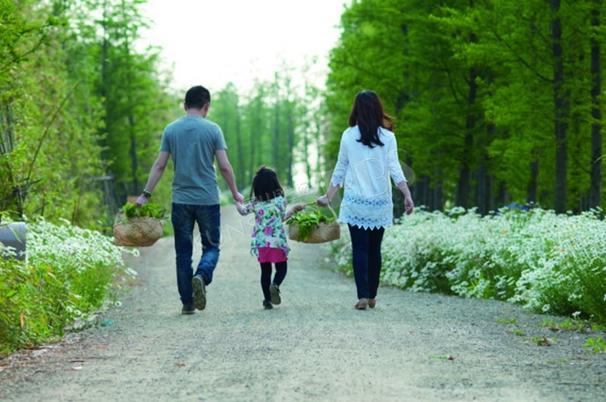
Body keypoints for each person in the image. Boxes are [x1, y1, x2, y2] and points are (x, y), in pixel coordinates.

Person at [136, 85, 244, 315]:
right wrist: (235, 194)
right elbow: (224, 166)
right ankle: (202, 276)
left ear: (185, 106)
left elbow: (160, 165)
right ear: (207, 106)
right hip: (208, 200)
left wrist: (145, 194)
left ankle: (187, 302)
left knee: (183, 252)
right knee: (211, 246)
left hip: (181, 201)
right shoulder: (213, 129)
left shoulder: (171, 130)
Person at [317, 90, 414, 310]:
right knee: (374, 249)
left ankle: (362, 295)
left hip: (355, 202)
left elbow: (340, 168)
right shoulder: (388, 137)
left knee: (360, 248)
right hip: (380, 203)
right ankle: (371, 295)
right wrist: (407, 194)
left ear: (357, 110)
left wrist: (328, 196)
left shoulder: (348, 135)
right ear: (378, 109)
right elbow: (395, 169)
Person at [236, 166, 304, 310]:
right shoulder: (280, 200)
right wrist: (294, 209)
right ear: (275, 183)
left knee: (265, 272)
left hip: (262, 243)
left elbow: (242, 211)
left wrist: (238, 203)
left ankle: (267, 300)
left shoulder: (255, 203)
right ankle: (276, 284)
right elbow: (282, 218)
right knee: (282, 269)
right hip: (277, 242)